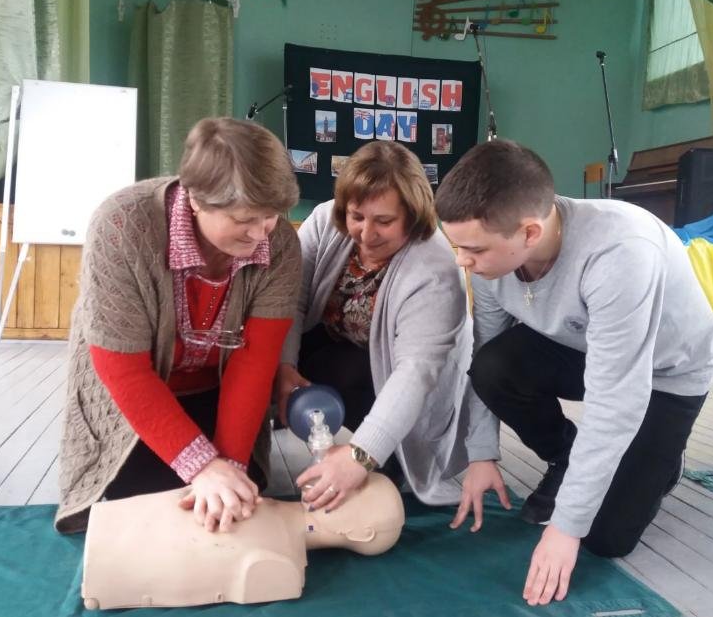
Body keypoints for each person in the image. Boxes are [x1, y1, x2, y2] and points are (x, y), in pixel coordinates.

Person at [435, 139, 713, 606]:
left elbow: (616, 400)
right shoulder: (491, 264)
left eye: (474, 250)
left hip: (664, 372)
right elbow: (484, 353)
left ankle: (663, 460)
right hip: (579, 344)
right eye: (457, 247)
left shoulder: (620, 252)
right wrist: (481, 454)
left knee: (605, 537)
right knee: (494, 366)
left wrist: (566, 528)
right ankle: (566, 457)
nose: (462, 261)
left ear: (529, 233)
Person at [55, 118, 302, 535]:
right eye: (245, 218)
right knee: (148, 505)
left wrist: (229, 469)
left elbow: (254, 362)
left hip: (216, 388)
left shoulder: (279, 243)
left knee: (232, 503)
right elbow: (123, 370)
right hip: (134, 394)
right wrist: (203, 466)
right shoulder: (121, 226)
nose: (262, 234)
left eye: (272, 216)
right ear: (197, 200)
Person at [274, 140, 504, 514]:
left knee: (378, 457)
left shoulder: (434, 269)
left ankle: (390, 451)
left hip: (402, 378)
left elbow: (415, 371)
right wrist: (284, 367)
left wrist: (362, 453)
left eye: (384, 221)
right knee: (276, 346)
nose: (366, 234)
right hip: (335, 345)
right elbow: (292, 301)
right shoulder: (323, 221)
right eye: (357, 217)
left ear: (412, 216)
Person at [81, 472, 404, 609]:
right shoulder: (272, 507)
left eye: (357, 487)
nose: (341, 481)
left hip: (112, 569)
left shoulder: (283, 567)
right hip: (116, 526)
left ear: (362, 533)